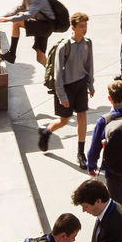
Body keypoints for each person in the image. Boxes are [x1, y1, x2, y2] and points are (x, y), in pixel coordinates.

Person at [39, 12, 94, 154]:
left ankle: (81, 152)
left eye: (85, 26)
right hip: (66, 88)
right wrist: (61, 95)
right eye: (81, 26)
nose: (84, 29)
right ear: (73, 27)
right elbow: (57, 74)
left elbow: (89, 66)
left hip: (81, 85)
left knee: (82, 116)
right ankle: (46, 132)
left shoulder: (88, 43)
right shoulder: (64, 47)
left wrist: (90, 84)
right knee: (64, 121)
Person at [0, 0, 59, 64]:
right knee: (40, 58)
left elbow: (29, 14)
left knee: (16, 23)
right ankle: (54, 76)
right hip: (43, 26)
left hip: (46, 26)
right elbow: (16, 10)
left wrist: (7, 19)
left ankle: (11, 54)